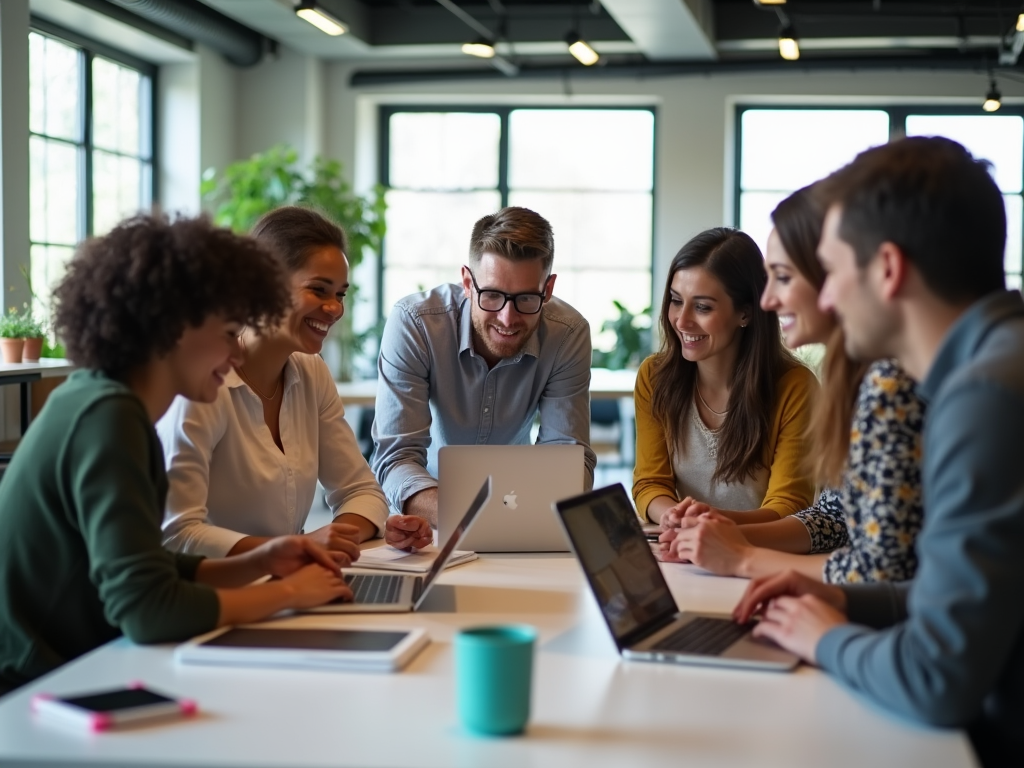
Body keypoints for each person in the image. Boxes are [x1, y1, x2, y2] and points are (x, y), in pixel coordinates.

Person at [733, 137, 1024, 767]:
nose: (827, 298)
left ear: (888, 269)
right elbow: (969, 600)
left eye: (832, 271)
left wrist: (828, 639)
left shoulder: (985, 397)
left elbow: (937, 677)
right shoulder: (996, 363)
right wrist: (849, 601)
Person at [0, 214, 355, 695]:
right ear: (174, 328)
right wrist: (287, 594)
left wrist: (260, 560)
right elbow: (148, 610)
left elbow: (149, 566)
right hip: (39, 688)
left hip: (73, 668)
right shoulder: (109, 419)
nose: (236, 354)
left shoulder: (102, 401)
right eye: (230, 332)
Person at [666, 186, 925, 584]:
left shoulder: (891, 384)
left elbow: (883, 570)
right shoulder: (856, 374)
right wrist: (724, 537)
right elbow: (835, 519)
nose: (768, 299)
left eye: (783, 277)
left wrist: (741, 558)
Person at [158, 207, 429, 554]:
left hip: (290, 582)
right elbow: (178, 534)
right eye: (319, 290)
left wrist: (330, 541)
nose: (335, 309)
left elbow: (361, 492)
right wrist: (298, 548)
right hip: (215, 594)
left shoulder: (310, 372)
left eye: (340, 294)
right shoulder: (204, 386)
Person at [371, 206, 595, 527]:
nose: (507, 318)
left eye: (527, 299)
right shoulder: (415, 323)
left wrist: (519, 517)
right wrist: (476, 518)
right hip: (429, 518)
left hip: (522, 514)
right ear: (467, 282)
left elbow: (567, 458)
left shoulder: (568, 334)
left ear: (548, 289)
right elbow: (396, 457)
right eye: (491, 295)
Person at [632, 227, 817, 528]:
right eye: (676, 300)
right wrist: (674, 517)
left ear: (745, 314)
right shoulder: (654, 377)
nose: (681, 320)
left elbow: (790, 505)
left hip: (762, 556)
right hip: (684, 549)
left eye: (703, 307)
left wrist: (708, 524)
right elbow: (650, 484)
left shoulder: (795, 387)